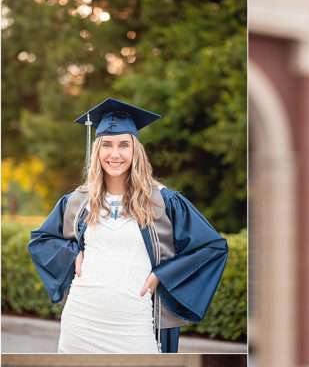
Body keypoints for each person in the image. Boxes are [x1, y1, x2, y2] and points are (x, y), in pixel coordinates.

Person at [28, 98, 228, 353]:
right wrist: (72, 254)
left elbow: (212, 247)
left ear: (136, 150)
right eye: (107, 145)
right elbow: (41, 241)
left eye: (124, 144)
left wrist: (161, 275)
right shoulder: (77, 201)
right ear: (97, 150)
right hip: (81, 324)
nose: (115, 154)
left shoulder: (162, 201)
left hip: (137, 325)